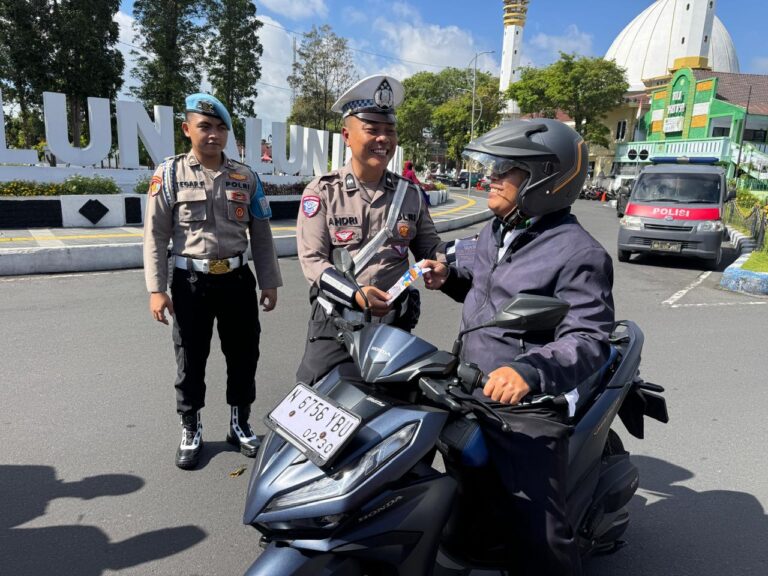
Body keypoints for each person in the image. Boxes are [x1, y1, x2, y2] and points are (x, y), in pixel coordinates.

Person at [421, 118, 615, 576]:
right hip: (467, 383)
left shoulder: (579, 252)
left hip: (527, 404)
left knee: (540, 529)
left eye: (505, 168)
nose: (490, 176)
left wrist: (529, 373)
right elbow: (487, 290)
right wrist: (449, 278)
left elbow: (590, 339)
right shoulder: (496, 230)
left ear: (545, 179)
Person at [143, 93, 282, 470]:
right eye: (204, 126)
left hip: (237, 280)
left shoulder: (245, 176)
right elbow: (155, 235)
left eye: (221, 128)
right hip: (191, 284)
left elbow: (262, 233)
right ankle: (191, 428)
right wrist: (157, 289)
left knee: (243, 354)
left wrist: (268, 282)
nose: (213, 134)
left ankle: (239, 424)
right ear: (187, 129)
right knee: (190, 357)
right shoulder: (169, 174)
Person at [295, 74, 443, 384]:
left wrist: (439, 263)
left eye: (389, 131)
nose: (383, 139)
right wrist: (355, 295)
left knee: (390, 413)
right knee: (315, 401)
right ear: (347, 135)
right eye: (372, 130)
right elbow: (313, 261)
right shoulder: (323, 192)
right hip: (336, 326)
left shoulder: (410, 194)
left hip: (392, 330)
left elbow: (430, 246)